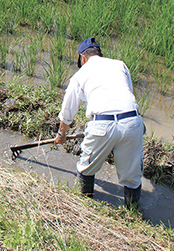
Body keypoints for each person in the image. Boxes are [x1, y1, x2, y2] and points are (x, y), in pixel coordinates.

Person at [53, 37, 145, 209]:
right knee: (132, 177)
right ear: (99, 54)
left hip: (102, 124)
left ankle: (86, 207)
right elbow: (127, 93)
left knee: (86, 168)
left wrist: (61, 134)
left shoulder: (80, 74)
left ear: (83, 58)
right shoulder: (120, 65)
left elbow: (67, 111)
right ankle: (133, 214)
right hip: (132, 122)